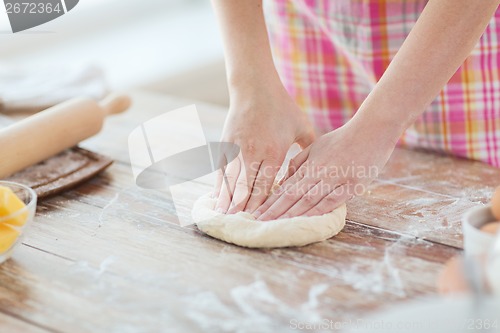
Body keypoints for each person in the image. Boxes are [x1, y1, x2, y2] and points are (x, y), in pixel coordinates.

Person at [211, 0, 500, 221]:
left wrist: (379, 124)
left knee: (470, 210)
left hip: (448, 38)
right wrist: (250, 85)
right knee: (318, 185)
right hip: (314, 31)